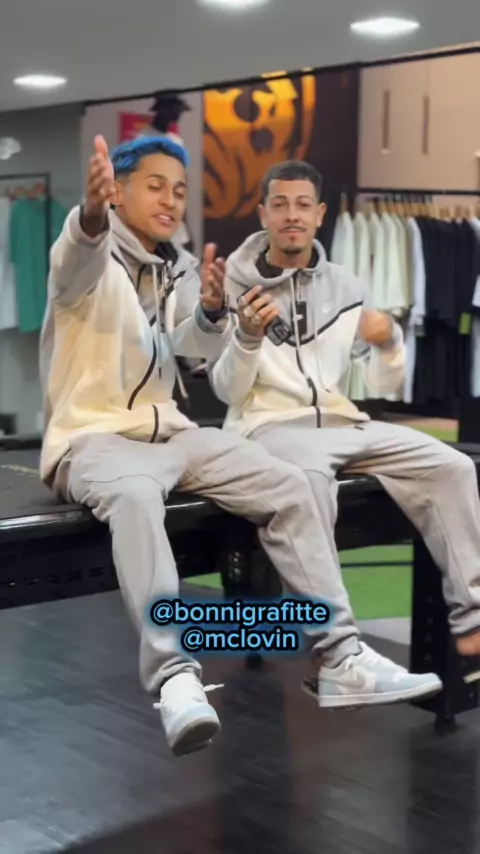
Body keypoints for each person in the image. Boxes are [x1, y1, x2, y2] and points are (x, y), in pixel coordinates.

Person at [209, 158, 480, 696]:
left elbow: (379, 378)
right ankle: (336, 653)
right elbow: (227, 391)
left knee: (450, 464)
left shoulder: (346, 285)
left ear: (319, 214)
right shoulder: (232, 286)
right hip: (267, 424)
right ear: (263, 213)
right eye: (280, 205)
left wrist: (389, 341)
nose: (292, 215)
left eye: (302, 205)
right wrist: (247, 336)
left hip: (342, 419)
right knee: (307, 480)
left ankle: (472, 621)